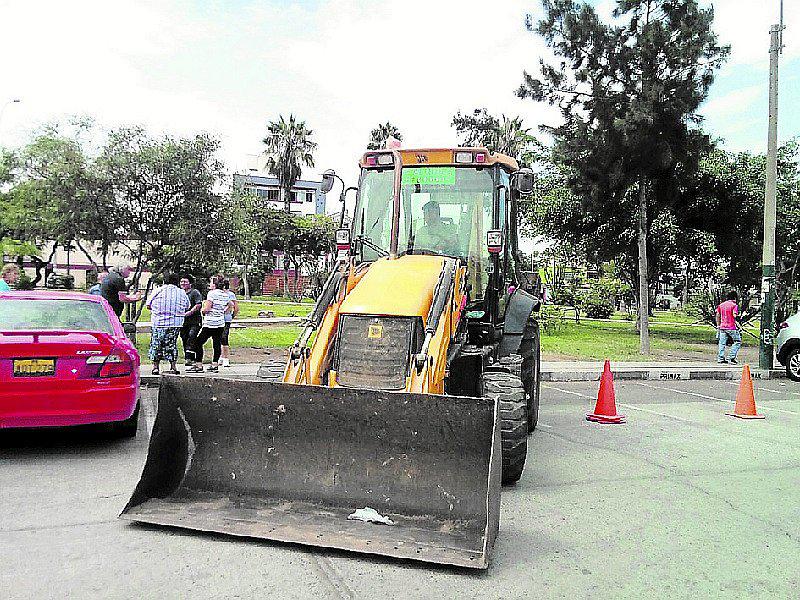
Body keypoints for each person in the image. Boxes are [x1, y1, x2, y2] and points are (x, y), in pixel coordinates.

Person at [146, 273, 190, 375]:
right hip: (175, 323)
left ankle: (155, 367)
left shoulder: (158, 290)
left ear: (164, 281)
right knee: (171, 344)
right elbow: (187, 306)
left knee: (156, 344)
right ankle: (173, 366)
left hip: (159, 322)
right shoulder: (181, 292)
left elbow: (148, 305)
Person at [188, 275, 233, 373]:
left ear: (215, 284)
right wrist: (222, 311)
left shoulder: (211, 294)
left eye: (211, 282)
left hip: (210, 323)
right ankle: (215, 364)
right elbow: (231, 305)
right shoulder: (225, 294)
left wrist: (203, 311)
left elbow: (207, 308)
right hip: (220, 323)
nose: (209, 284)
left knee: (198, 343)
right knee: (216, 344)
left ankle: (199, 364)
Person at [179, 275, 204, 366]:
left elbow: (198, 305)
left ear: (190, 283)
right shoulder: (180, 293)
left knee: (192, 336)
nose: (183, 283)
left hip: (194, 321)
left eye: (185, 282)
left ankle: (194, 358)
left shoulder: (194, 292)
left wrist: (190, 312)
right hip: (183, 321)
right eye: (181, 281)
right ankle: (188, 358)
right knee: (184, 338)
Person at [716, 291, 742, 364]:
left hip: (722, 327)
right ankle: (731, 357)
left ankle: (720, 358)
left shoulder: (721, 305)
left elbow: (718, 315)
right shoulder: (734, 305)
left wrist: (718, 325)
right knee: (737, 341)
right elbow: (734, 315)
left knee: (722, 343)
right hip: (731, 327)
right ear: (735, 298)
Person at [219, 277, 239, 368]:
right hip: (219, 318)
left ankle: (226, 358)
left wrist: (231, 316)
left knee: (224, 337)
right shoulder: (218, 294)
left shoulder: (230, 294)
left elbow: (235, 307)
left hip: (226, 319)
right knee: (219, 338)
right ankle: (221, 356)